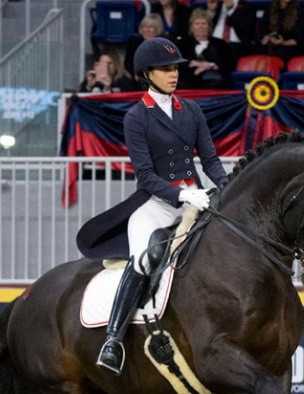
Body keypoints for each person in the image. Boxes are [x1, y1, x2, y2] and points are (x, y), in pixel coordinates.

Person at [87, 37, 228, 374]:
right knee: (144, 261)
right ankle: (113, 340)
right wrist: (181, 195)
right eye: (165, 69)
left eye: (175, 68)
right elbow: (147, 175)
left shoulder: (190, 110)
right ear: (146, 74)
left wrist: (225, 186)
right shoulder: (137, 117)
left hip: (196, 200)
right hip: (156, 205)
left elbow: (209, 158)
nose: (173, 74)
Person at [178, 9, 235, 89]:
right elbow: (178, 63)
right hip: (187, 82)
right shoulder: (182, 44)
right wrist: (195, 63)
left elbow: (228, 64)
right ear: (191, 27)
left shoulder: (220, 44)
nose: (200, 27)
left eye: (204, 23)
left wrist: (210, 65)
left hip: (213, 81)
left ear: (210, 27)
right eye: (197, 24)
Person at [124, 13, 165, 80]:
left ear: (157, 29)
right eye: (145, 27)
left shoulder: (163, 46)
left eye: (151, 27)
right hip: (137, 78)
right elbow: (128, 64)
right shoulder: (134, 44)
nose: (147, 30)